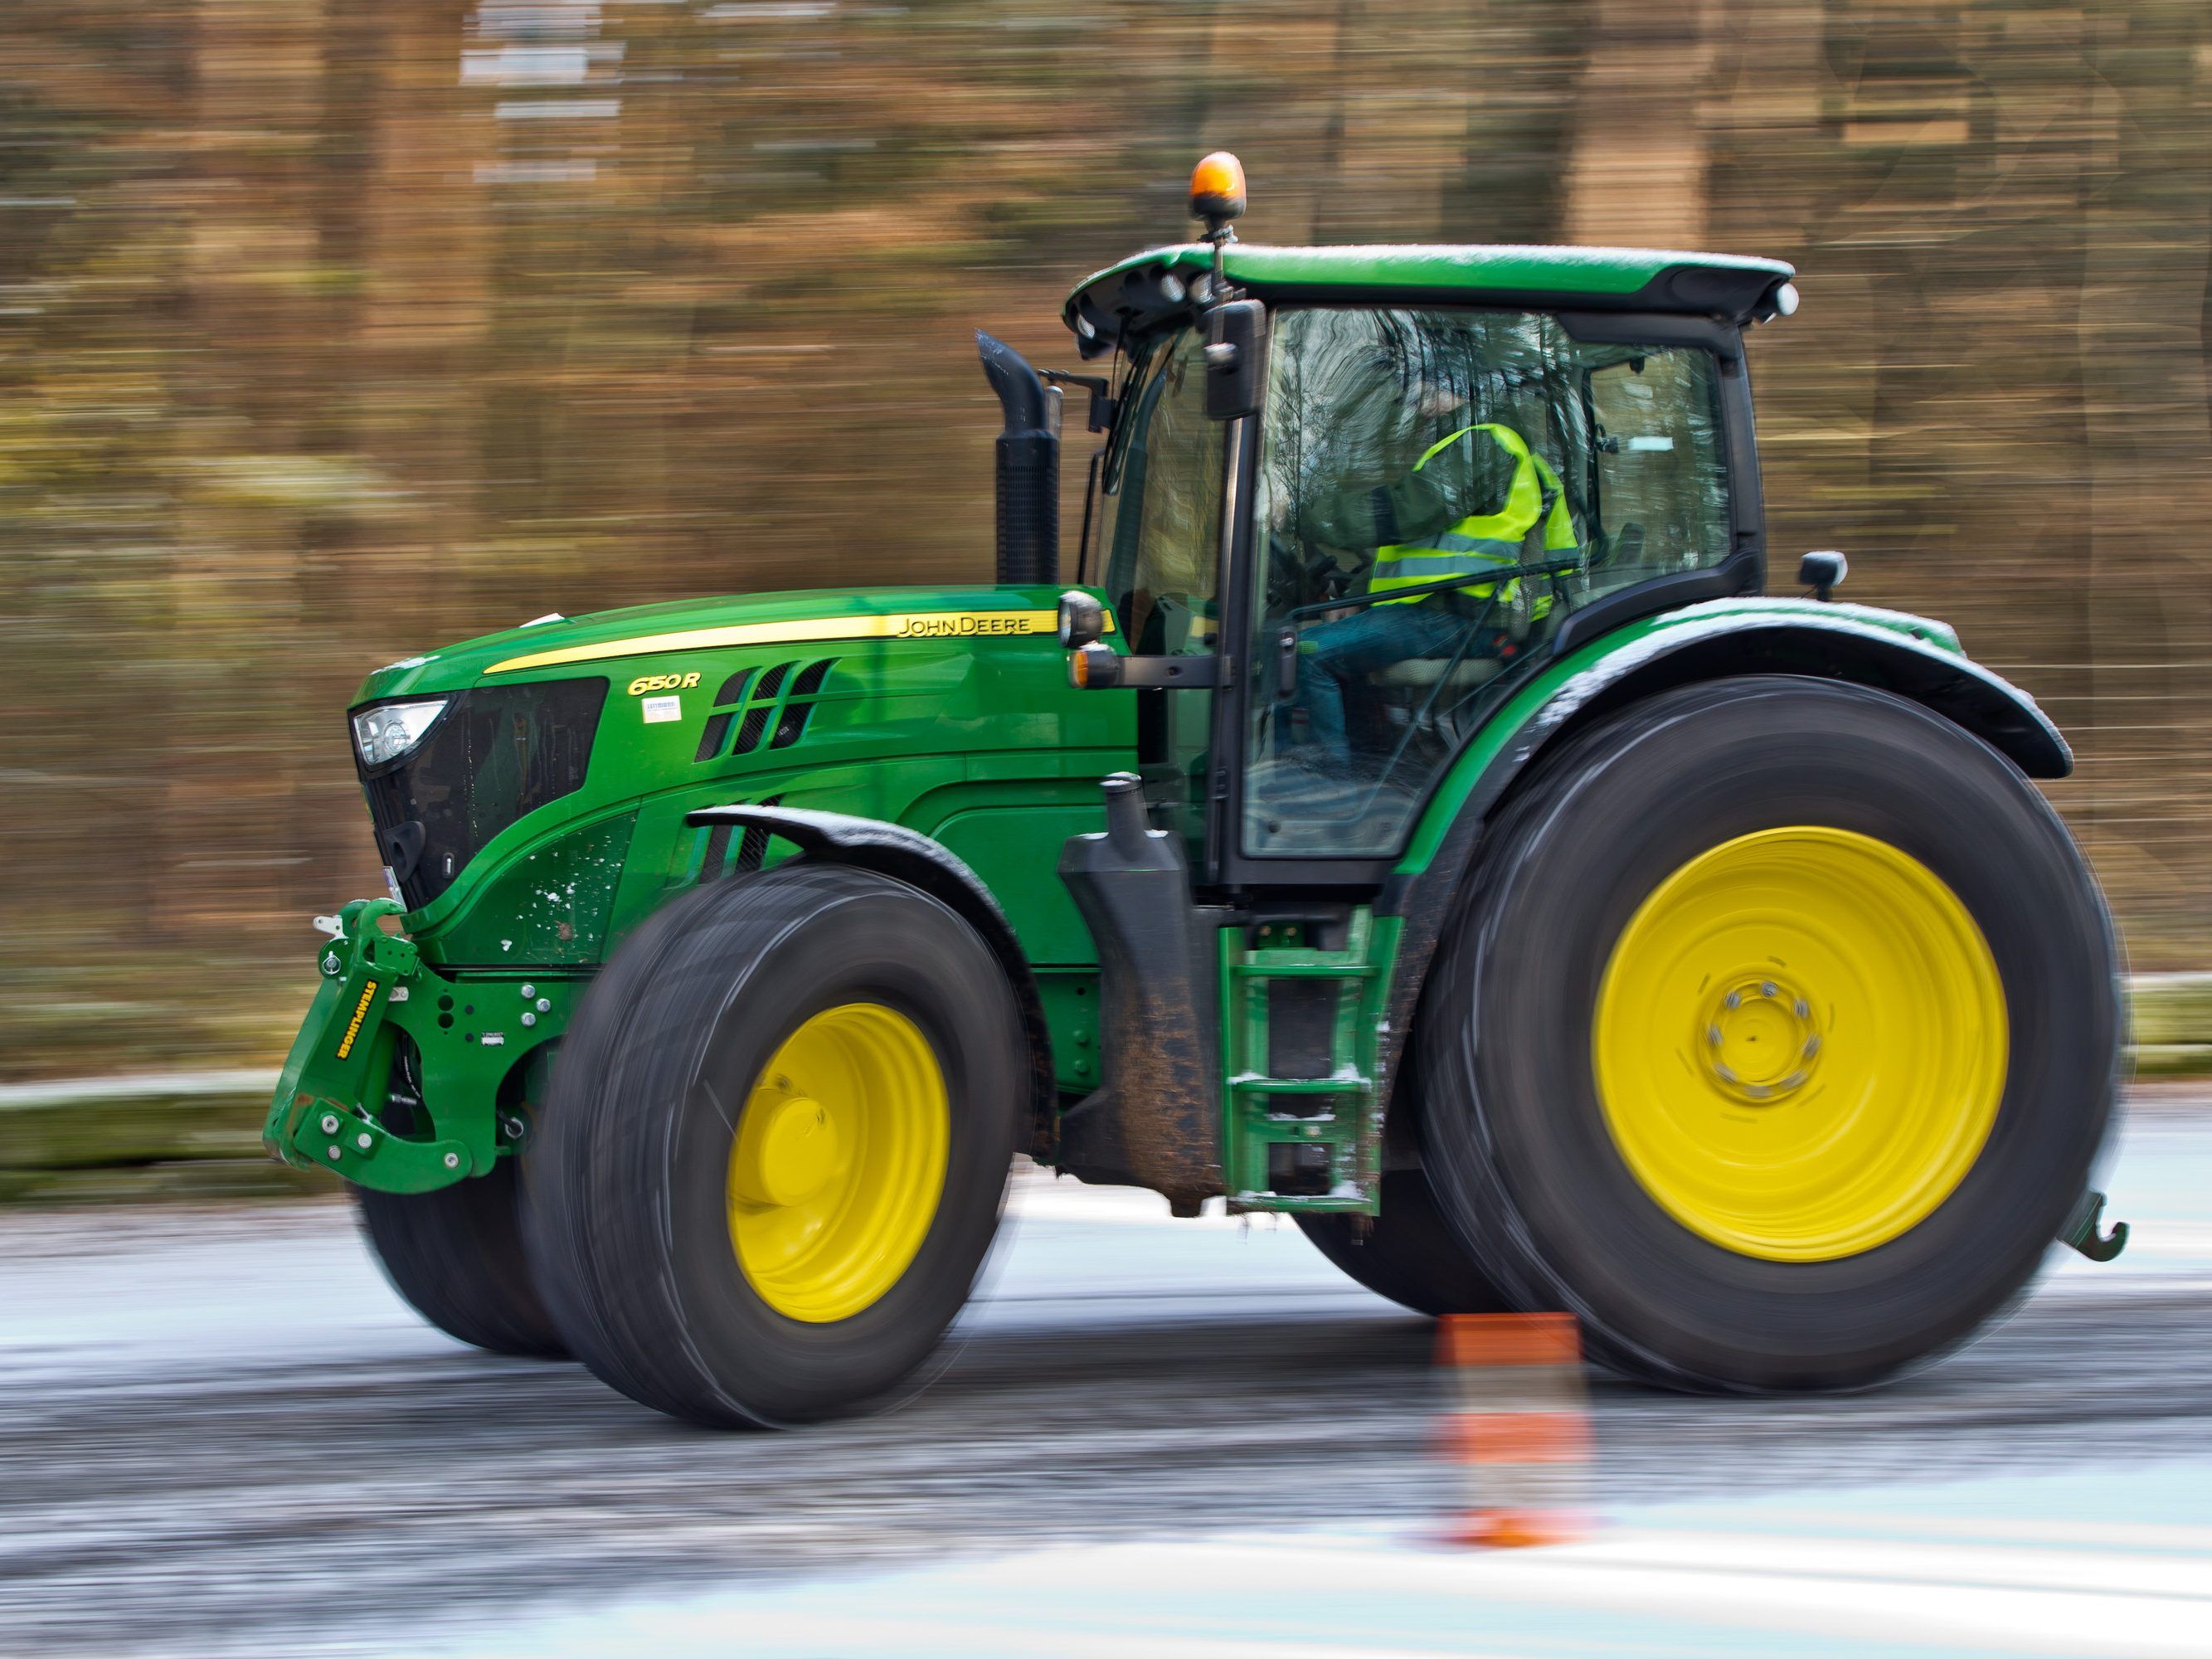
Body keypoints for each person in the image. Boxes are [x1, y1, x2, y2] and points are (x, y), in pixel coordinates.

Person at [1292, 416, 1582, 758]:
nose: (1410, 397)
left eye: (1419, 384)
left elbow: (1401, 514)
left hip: (1465, 616)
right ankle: (1363, 761)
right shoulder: (1465, 446)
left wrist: (1303, 512)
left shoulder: (1485, 445)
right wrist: (1359, 597)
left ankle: (1323, 781)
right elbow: (1416, 547)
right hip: (1441, 610)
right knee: (1309, 645)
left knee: (1305, 650)